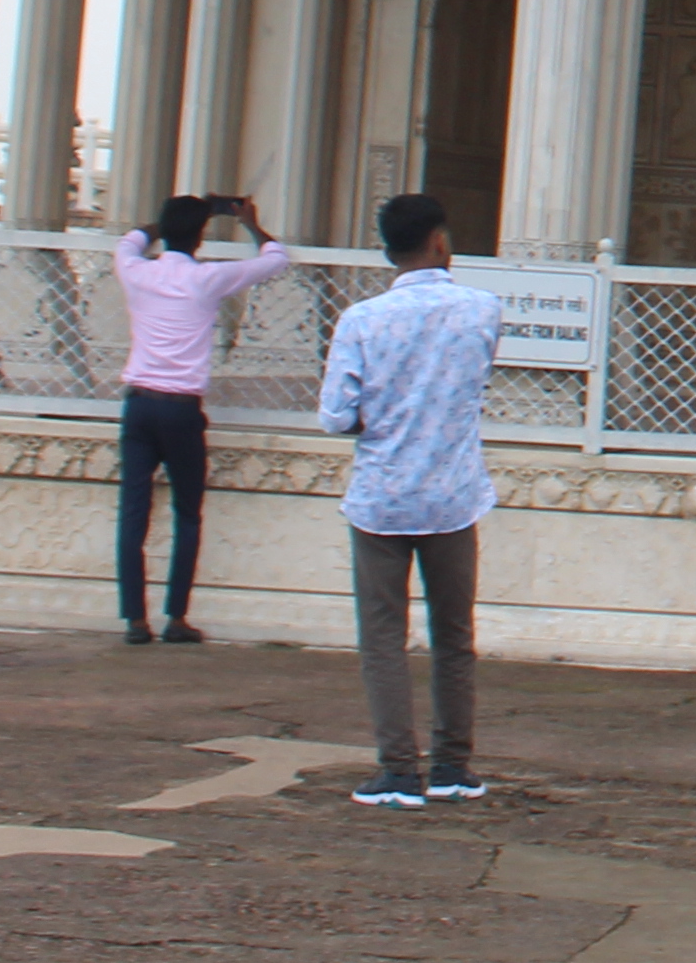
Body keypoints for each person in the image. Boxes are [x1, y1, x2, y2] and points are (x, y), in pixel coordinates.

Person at [316, 194, 500, 808]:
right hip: (451, 494)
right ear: (441, 241)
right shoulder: (481, 310)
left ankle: (397, 769)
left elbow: (335, 417)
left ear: (387, 249)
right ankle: (453, 765)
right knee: (454, 635)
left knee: (383, 638)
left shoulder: (363, 320)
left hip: (382, 498)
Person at [110, 192, 295, 645]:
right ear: (200, 237)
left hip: (139, 405)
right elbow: (276, 258)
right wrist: (248, 222)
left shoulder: (136, 270)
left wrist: (167, 220)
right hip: (181, 408)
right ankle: (176, 617)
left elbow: (132, 240)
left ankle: (135, 619)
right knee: (187, 514)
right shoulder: (208, 278)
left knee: (133, 515)